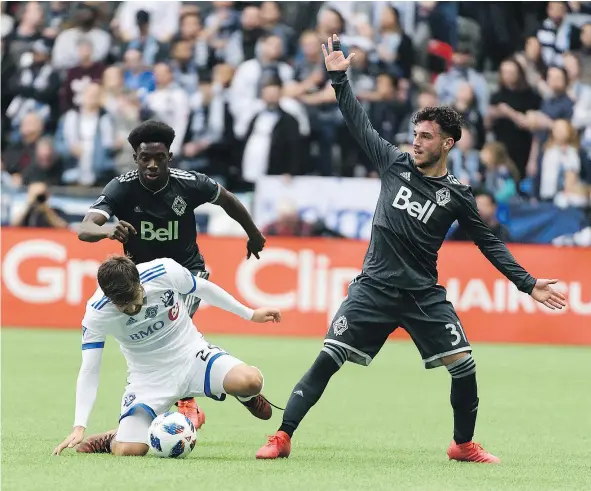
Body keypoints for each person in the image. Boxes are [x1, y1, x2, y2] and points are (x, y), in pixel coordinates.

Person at [256, 34, 567, 463]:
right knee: (328, 359)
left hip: (422, 294)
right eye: (415, 134)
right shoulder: (393, 163)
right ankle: (282, 436)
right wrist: (338, 80)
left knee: (464, 365)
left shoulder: (457, 194)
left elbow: (488, 242)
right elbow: (357, 122)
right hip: (373, 289)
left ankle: (462, 445)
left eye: (425, 136)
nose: (416, 142)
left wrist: (527, 283)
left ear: (447, 144)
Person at [77, 120, 267, 429]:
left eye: (159, 158)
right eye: (145, 158)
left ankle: (192, 403)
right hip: (140, 280)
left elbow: (230, 200)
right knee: (151, 335)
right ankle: (181, 403)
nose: (152, 165)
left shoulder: (190, 183)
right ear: (136, 158)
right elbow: (84, 229)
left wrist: (253, 234)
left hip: (187, 271)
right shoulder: (121, 188)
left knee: (178, 322)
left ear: (170, 157)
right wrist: (108, 229)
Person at [52, 255, 281, 457]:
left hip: (191, 354)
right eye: (124, 306)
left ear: (138, 281)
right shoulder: (97, 313)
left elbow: (202, 288)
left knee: (251, 381)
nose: (133, 308)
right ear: (110, 298)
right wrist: (79, 425)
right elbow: (90, 369)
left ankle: (246, 396)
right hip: (148, 378)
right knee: (130, 451)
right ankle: (113, 437)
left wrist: (250, 314)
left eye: (135, 298)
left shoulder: (163, 271)